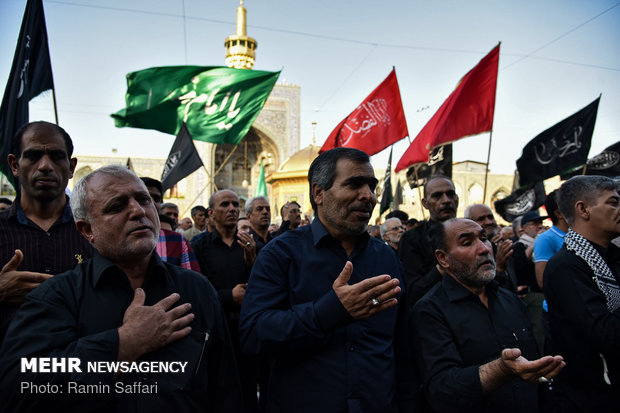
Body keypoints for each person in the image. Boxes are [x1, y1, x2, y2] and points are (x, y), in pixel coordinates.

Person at [0, 165, 242, 412]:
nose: (138, 211)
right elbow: (19, 390)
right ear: (87, 230)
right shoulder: (56, 297)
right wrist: (123, 343)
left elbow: (227, 390)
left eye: (144, 200)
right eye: (117, 206)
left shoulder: (196, 289)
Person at [240, 147, 418, 412]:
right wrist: (330, 310)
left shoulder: (386, 258)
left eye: (371, 186)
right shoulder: (281, 253)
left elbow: (403, 347)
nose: (368, 196)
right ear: (318, 193)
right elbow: (253, 336)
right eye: (354, 184)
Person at [412, 218, 565, 412]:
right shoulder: (429, 311)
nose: (484, 249)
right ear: (443, 258)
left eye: (484, 239)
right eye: (467, 243)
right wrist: (501, 369)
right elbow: (443, 389)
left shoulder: (510, 300)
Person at [0, 121, 92, 342]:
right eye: (33, 156)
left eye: (56, 156)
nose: (45, 166)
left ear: (71, 167)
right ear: (14, 164)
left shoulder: (96, 231)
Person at [544, 175, 620, 412]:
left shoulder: (613, 258)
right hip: (591, 399)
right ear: (583, 209)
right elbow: (606, 335)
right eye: (613, 202)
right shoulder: (566, 266)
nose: (619, 209)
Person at [191, 189, 258, 412]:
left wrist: (254, 261)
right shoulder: (198, 246)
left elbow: (264, 286)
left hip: (246, 328)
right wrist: (229, 296)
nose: (232, 209)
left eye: (235, 204)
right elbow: (196, 290)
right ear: (211, 213)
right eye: (225, 205)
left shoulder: (250, 244)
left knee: (247, 387)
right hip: (215, 330)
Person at [398, 175, 459, 306]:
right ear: (425, 203)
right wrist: (441, 269)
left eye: (450, 194)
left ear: (457, 199)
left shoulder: (473, 233)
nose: (446, 200)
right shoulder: (412, 239)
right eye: (437, 196)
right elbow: (413, 291)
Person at [140, 178, 199, 272]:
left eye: (156, 198)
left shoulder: (177, 241)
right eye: (144, 197)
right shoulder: (115, 239)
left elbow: (192, 281)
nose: (151, 203)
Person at [512, 210, 548, 352]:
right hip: (533, 295)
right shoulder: (520, 245)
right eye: (535, 224)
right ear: (525, 228)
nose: (539, 226)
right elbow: (520, 266)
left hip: (547, 294)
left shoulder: (545, 241)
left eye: (541, 223)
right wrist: (538, 242)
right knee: (539, 331)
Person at [465, 203, 515, 291]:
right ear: (469, 223)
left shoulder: (502, 246)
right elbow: (478, 290)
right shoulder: (468, 253)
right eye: (481, 219)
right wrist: (499, 269)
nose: (489, 222)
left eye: (491, 217)